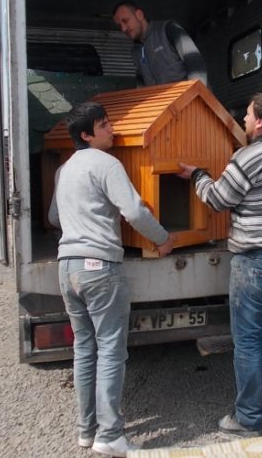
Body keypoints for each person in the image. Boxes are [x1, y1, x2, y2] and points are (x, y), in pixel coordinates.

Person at [48, 101, 175, 456]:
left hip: (68, 268)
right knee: (110, 351)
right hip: (100, 269)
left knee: (84, 349)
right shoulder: (107, 164)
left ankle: (86, 431)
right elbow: (134, 210)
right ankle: (110, 436)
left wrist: (87, 217)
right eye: (104, 126)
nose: (112, 130)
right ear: (86, 134)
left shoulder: (64, 170)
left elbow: (55, 218)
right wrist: (163, 240)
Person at [177, 92, 262, 438]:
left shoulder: (247, 156)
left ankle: (248, 420)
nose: (243, 120)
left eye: (247, 115)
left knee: (248, 342)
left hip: (258, 261)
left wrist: (197, 175)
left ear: (260, 122)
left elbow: (218, 200)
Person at [112, 0, 208, 87]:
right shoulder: (136, 51)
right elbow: (141, 82)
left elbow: (196, 62)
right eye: (120, 25)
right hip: (165, 105)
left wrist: (194, 96)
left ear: (139, 15)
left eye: (125, 21)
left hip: (191, 101)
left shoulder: (168, 29)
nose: (123, 29)